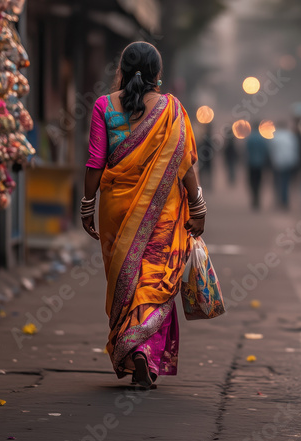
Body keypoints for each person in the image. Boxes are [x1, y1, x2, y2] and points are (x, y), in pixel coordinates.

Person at [80, 41, 206, 390]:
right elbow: (185, 165)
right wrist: (198, 207)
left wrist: (87, 205)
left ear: (120, 69)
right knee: (155, 280)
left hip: (114, 209)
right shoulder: (172, 109)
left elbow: (94, 162)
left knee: (126, 280)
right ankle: (144, 352)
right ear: (158, 74)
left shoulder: (104, 106)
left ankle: (132, 344)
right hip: (162, 212)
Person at [269, 120, 300, 210]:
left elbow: (271, 150)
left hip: (278, 162)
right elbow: (295, 149)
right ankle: (284, 200)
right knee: (286, 182)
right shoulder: (291, 136)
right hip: (289, 162)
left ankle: (280, 200)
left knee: (278, 182)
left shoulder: (276, 137)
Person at [245, 125, 269, 210]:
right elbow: (265, 151)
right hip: (260, 164)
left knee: (252, 182)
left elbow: (246, 151)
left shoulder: (250, 138)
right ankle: (258, 198)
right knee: (259, 182)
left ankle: (254, 198)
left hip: (251, 163)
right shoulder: (262, 139)